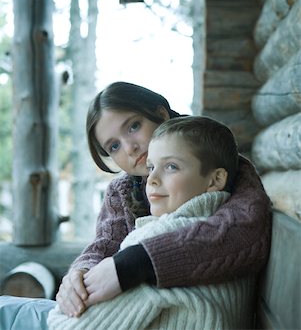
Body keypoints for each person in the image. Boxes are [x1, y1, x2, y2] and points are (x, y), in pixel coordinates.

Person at [0, 81, 271, 329]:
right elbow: (103, 245)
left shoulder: (219, 166)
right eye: (114, 146)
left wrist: (134, 264)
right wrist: (78, 276)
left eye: (133, 126)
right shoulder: (122, 191)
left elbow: (244, 232)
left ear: (161, 115)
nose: (129, 147)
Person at [47, 116, 256, 330]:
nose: (152, 179)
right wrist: (80, 272)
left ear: (214, 180)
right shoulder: (216, 226)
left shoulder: (159, 237)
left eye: (171, 167)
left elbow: (69, 325)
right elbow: (105, 242)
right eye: (151, 167)